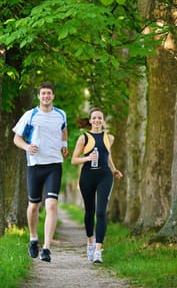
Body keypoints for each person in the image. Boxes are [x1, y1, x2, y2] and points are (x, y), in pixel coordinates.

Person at [13, 82, 68, 262]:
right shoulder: (30, 115)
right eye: (43, 93)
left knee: (51, 204)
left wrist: (64, 145)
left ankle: (46, 248)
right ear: (39, 96)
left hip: (54, 164)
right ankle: (33, 238)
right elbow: (16, 138)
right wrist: (27, 146)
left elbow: (64, 131)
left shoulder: (61, 114)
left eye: (49, 94)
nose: (46, 96)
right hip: (35, 165)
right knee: (34, 205)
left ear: (53, 96)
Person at [71, 108, 123, 263]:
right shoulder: (84, 138)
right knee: (89, 212)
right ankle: (90, 242)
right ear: (90, 120)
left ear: (103, 120)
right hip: (87, 177)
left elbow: (107, 156)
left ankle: (99, 250)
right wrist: (87, 159)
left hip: (104, 177)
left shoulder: (110, 138)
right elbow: (74, 159)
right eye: (94, 118)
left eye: (100, 118)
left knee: (101, 212)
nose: (97, 120)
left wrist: (114, 170)